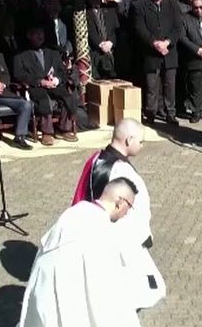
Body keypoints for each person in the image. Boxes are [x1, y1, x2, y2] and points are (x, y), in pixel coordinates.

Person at [8, 177, 186, 327]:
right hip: (67, 293)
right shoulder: (102, 228)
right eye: (129, 207)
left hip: (44, 292)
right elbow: (106, 284)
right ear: (120, 202)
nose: (127, 213)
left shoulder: (74, 212)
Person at [71, 118, 166, 311]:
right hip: (120, 242)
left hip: (102, 233)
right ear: (129, 140)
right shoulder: (120, 170)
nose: (142, 146)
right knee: (137, 291)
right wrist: (143, 237)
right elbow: (128, 211)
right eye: (140, 141)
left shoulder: (97, 158)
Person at [13, 24, 78, 146]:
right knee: (43, 99)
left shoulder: (52, 52)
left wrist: (56, 80)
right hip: (35, 86)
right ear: (29, 36)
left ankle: (64, 129)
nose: (40, 36)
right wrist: (40, 82)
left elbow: (62, 72)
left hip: (53, 85)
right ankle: (47, 132)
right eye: (36, 34)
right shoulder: (21, 54)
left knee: (67, 96)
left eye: (41, 33)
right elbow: (19, 74)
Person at [134, 0, 183, 126]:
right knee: (152, 86)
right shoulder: (141, 5)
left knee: (170, 85)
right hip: (151, 52)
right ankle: (150, 113)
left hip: (169, 51)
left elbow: (178, 28)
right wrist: (154, 43)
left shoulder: (173, 5)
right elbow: (140, 28)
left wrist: (167, 42)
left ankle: (170, 113)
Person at [86, 0, 120, 79]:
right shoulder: (86, 12)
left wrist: (111, 42)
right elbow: (90, 31)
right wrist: (100, 44)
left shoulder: (110, 9)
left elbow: (115, 29)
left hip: (110, 52)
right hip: (94, 53)